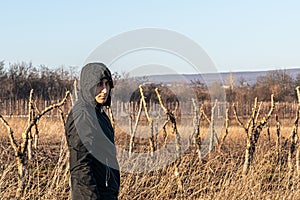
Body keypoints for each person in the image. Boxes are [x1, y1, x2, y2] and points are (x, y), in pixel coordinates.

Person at [65, 62, 120, 199]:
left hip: (106, 193)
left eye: (107, 84)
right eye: (99, 84)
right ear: (88, 85)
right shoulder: (83, 116)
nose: (105, 90)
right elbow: (80, 166)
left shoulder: (98, 113)